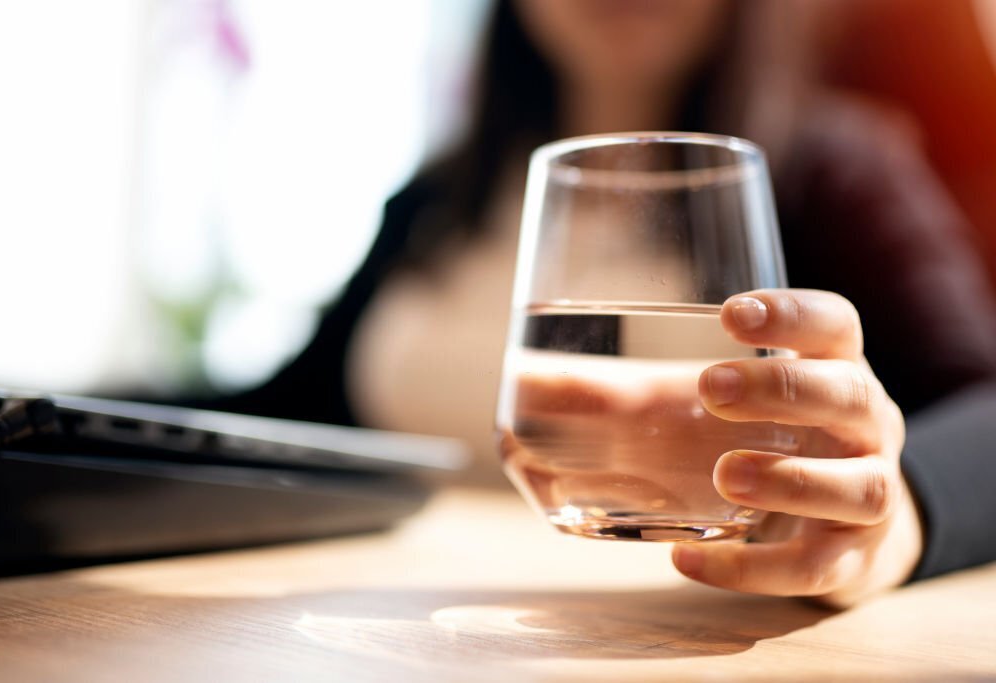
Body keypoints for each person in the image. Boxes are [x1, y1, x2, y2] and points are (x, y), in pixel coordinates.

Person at [220, 0, 996, 607]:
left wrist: (904, 512)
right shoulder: (437, 198)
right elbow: (290, 406)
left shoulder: (835, 173)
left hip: (692, 632)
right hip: (393, 620)